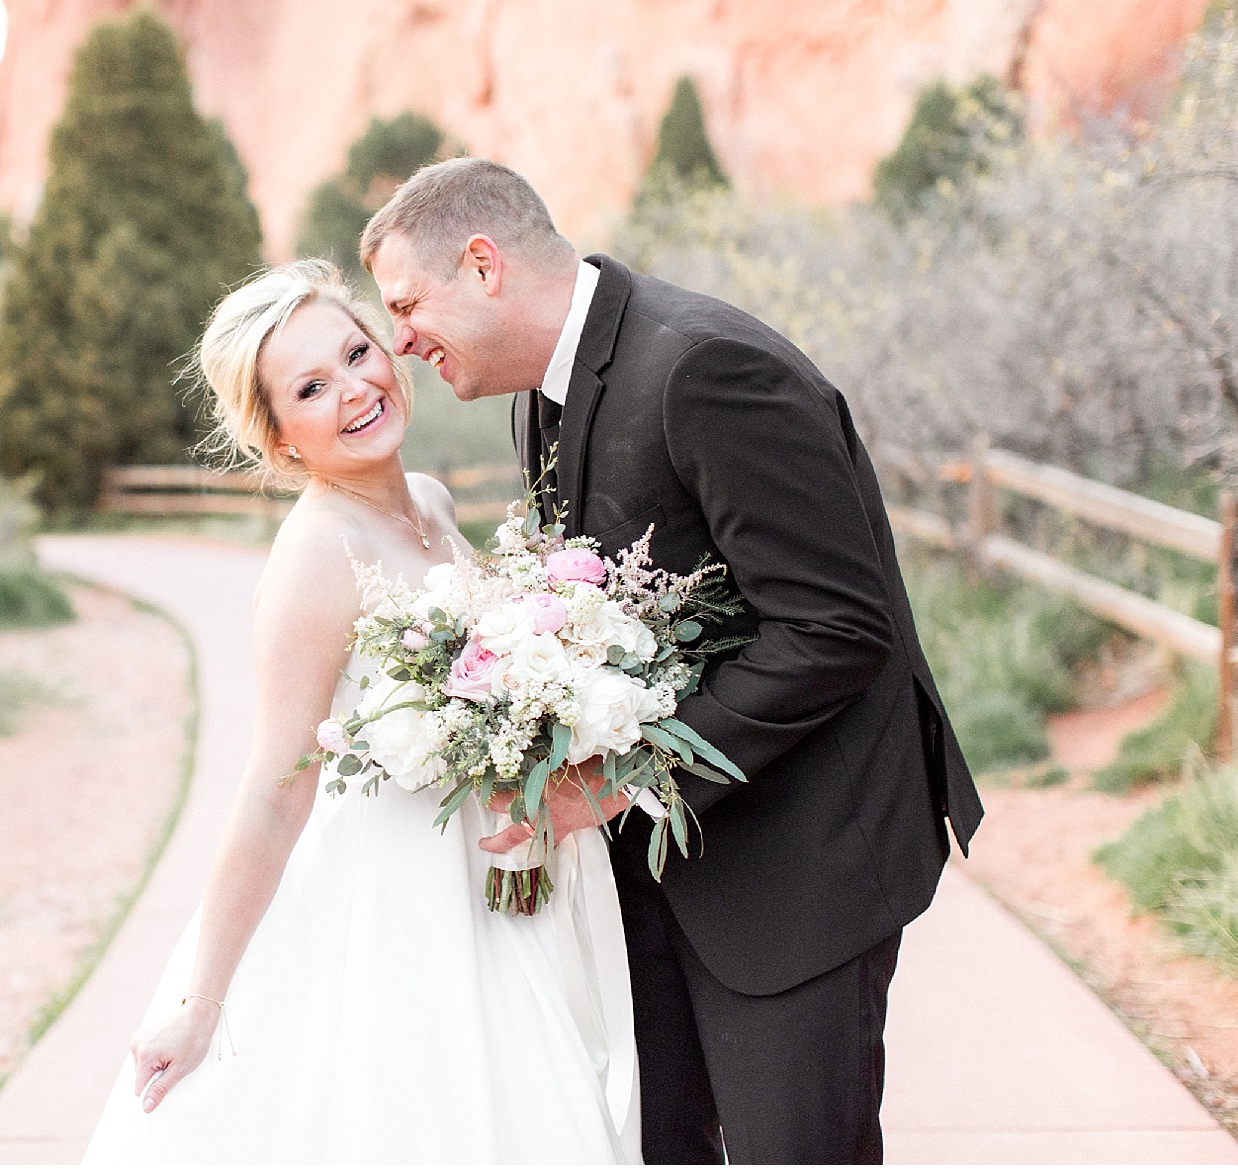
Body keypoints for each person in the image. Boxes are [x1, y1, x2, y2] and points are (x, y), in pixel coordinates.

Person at [361, 157, 984, 1165]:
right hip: (663, 880)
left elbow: (835, 624)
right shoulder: (542, 397)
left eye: (404, 303)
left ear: (482, 265)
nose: (399, 340)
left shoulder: (704, 366)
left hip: (800, 868)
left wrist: (622, 776)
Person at [82, 260, 641, 1164]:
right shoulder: (315, 554)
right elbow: (272, 788)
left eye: (356, 352)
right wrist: (200, 1001)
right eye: (311, 386)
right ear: (281, 437)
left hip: (491, 878)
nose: (354, 389)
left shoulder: (428, 501)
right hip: (393, 905)